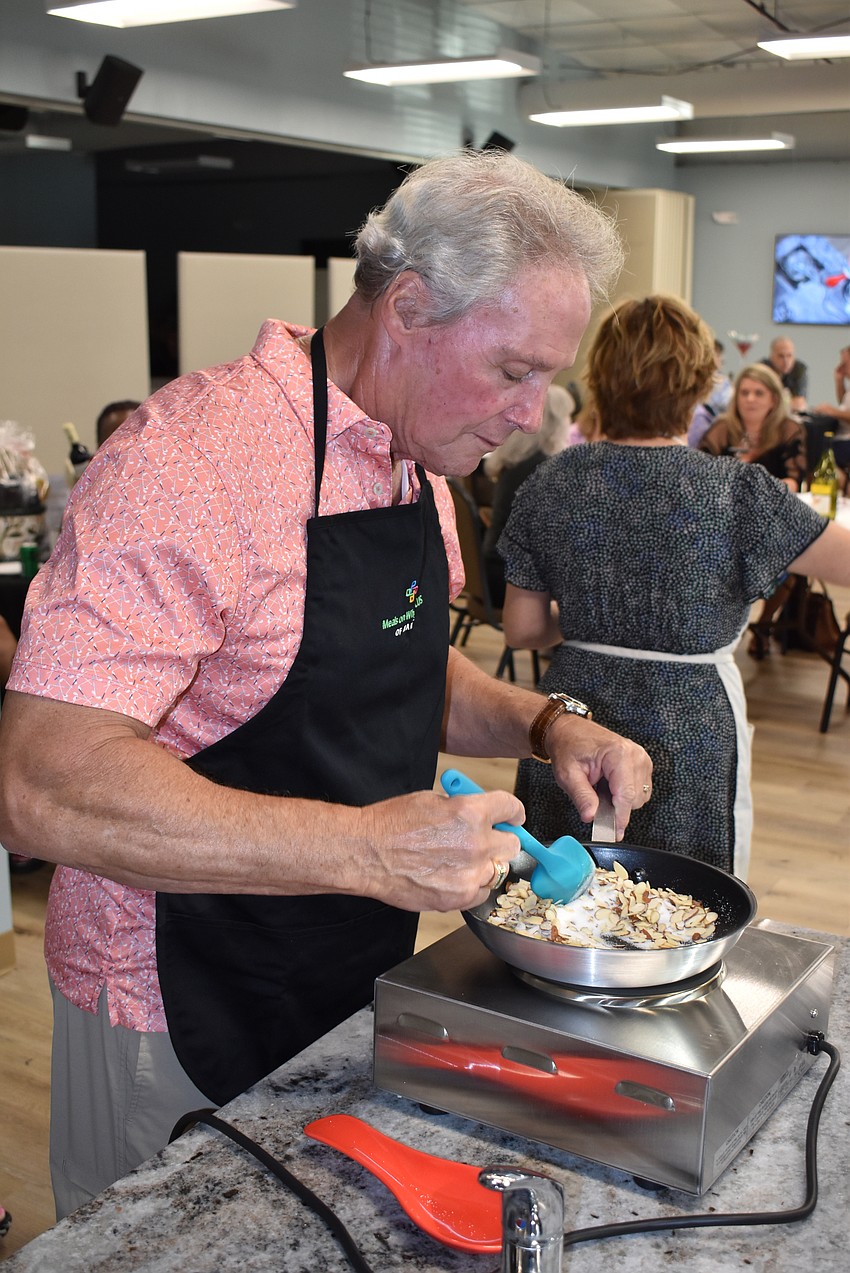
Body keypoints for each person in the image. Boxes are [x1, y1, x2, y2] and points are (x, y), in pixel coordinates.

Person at [0, 150, 652, 1219]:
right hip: (174, 992)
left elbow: (394, 664)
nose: (533, 415)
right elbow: (42, 782)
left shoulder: (408, 456)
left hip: (344, 959)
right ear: (407, 308)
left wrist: (543, 722)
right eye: (513, 371)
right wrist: (364, 848)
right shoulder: (191, 464)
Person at [499, 295, 850, 883]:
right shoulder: (735, 490)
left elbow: (523, 630)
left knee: (559, 887)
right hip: (691, 714)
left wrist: (595, 623)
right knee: (680, 897)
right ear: (697, 388)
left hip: (571, 714)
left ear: (601, 380)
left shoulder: (551, 481)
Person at [482, 384, 573, 606]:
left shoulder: (517, 461)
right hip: (511, 580)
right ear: (556, 422)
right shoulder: (544, 468)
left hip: (491, 568)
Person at [699, 363, 806, 491]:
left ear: (774, 399)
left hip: (772, 505)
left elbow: (794, 481)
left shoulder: (788, 429)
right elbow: (701, 472)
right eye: (744, 393)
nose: (750, 399)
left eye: (759, 393)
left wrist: (757, 494)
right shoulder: (722, 428)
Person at [687, 337, 732, 448]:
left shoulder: (723, 383)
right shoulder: (687, 379)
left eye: (719, 355)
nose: (720, 359)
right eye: (717, 355)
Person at [760, 336, 807, 412]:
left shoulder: (799, 369)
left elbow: (799, 403)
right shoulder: (762, 369)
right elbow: (760, 402)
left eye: (789, 356)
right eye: (781, 356)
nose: (786, 361)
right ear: (771, 357)